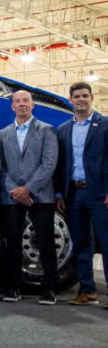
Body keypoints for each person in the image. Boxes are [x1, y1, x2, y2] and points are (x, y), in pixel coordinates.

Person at [0, 90, 59, 305]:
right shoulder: (3, 134)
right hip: (12, 197)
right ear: (12, 106)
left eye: (25, 101)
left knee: (46, 242)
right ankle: (13, 287)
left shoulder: (47, 130)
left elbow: (49, 164)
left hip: (40, 196)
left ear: (33, 105)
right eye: (17, 101)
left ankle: (49, 289)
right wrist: (15, 190)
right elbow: (0, 167)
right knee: (12, 243)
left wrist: (28, 189)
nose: (21, 104)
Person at [55, 82, 108, 307]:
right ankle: (87, 291)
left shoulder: (105, 125)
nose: (81, 100)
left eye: (85, 96)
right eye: (76, 96)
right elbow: (60, 165)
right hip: (73, 195)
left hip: (100, 194)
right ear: (70, 100)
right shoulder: (63, 129)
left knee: (106, 244)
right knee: (81, 244)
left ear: (92, 98)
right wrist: (59, 193)